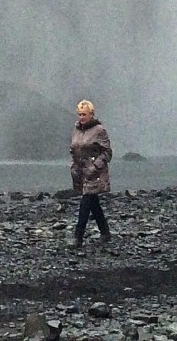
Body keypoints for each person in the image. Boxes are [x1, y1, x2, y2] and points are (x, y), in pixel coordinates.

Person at [69, 99, 112, 249]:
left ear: (91, 114)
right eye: (79, 114)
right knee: (93, 203)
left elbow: (107, 152)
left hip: (95, 173)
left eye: (84, 114)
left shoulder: (99, 130)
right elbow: (74, 149)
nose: (81, 117)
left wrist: (95, 167)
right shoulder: (76, 130)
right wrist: (74, 165)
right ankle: (105, 232)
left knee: (86, 201)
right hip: (80, 172)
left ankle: (78, 237)